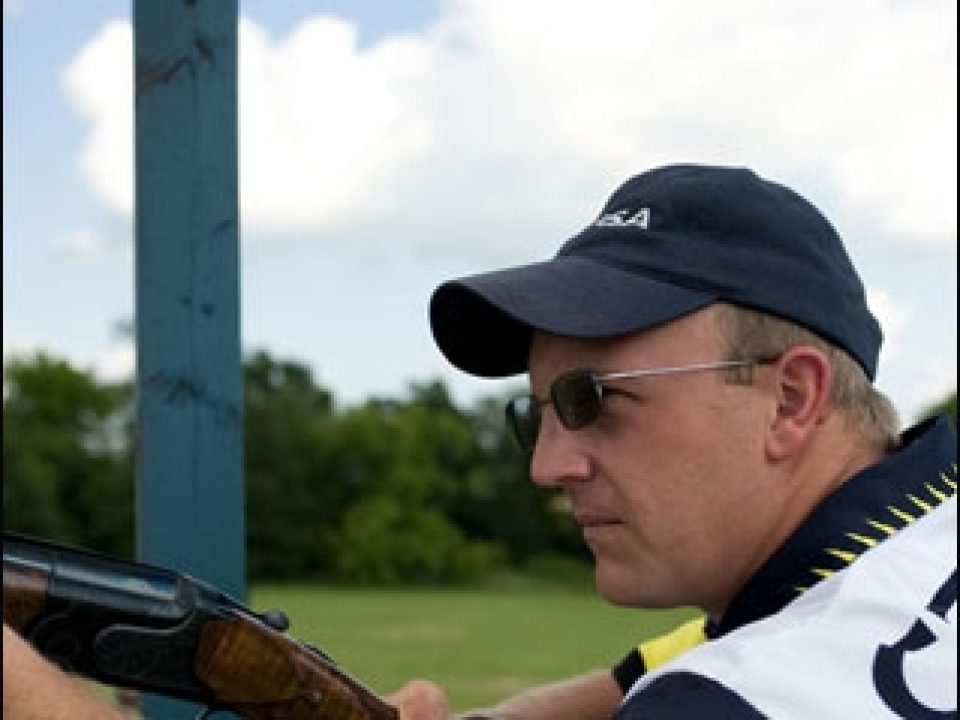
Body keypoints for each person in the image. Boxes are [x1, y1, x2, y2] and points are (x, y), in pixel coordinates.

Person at [389, 163, 957, 718]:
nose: (547, 467)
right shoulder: (912, 544)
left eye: (594, 399)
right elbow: (703, 645)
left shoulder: (724, 699)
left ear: (791, 400)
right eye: (539, 414)